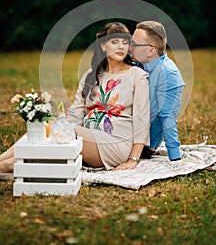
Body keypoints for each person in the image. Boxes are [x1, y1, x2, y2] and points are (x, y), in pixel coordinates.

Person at [0, 22, 150, 179]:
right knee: (45, 127)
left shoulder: (137, 75)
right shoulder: (90, 76)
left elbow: (142, 118)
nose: (121, 47)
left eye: (125, 42)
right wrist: (59, 126)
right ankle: (3, 161)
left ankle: (10, 166)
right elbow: (76, 114)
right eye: (115, 41)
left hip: (117, 143)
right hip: (88, 138)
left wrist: (133, 158)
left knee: (61, 130)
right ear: (103, 45)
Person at [131, 21, 185, 161]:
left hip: (140, 145)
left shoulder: (168, 74)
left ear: (151, 50)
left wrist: (175, 158)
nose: (129, 47)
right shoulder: (138, 63)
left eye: (135, 44)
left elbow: (168, 119)